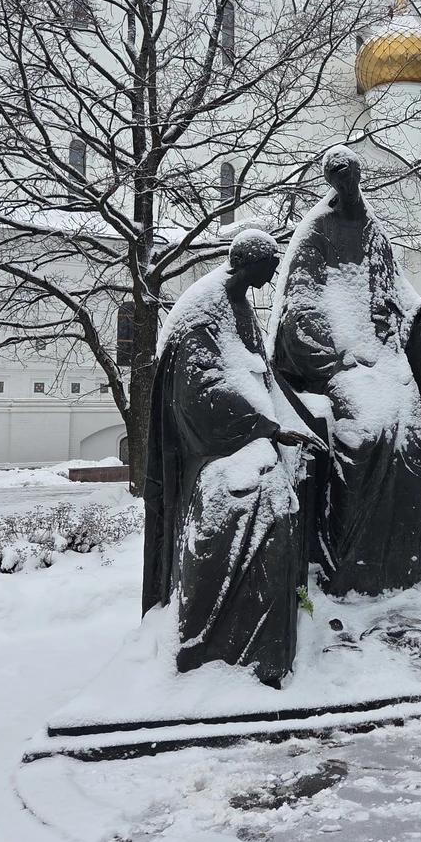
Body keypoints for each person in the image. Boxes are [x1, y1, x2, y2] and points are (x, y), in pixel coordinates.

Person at [142, 231, 323, 687]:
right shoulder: (203, 310)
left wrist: (295, 425)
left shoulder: (240, 302)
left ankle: (270, 640)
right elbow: (199, 394)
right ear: (249, 264)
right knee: (259, 495)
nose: (273, 277)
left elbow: (260, 377)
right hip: (208, 447)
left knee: (286, 479)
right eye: (269, 268)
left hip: (242, 436)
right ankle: (224, 643)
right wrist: (267, 428)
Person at [270, 146, 421, 598]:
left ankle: (405, 560)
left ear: (357, 179)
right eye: (337, 179)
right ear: (331, 185)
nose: (345, 186)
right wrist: (338, 355)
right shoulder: (315, 233)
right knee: (364, 431)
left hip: (380, 355)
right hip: (335, 358)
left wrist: (405, 318)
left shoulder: (376, 233)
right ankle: (350, 561)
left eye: (350, 177)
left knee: (410, 432)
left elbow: (391, 289)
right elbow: (301, 303)